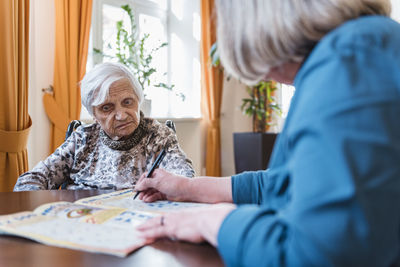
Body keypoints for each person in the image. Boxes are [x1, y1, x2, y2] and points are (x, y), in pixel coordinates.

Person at [135, 0, 400, 266]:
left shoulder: (348, 64)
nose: (263, 77)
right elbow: (287, 184)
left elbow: (314, 256)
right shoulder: (366, 48)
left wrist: (215, 221)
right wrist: (187, 187)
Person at [14, 62, 195, 191]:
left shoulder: (158, 137)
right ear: (93, 115)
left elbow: (185, 178)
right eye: (106, 108)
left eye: (127, 102)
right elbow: (34, 178)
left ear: (138, 100)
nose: (121, 115)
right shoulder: (83, 139)